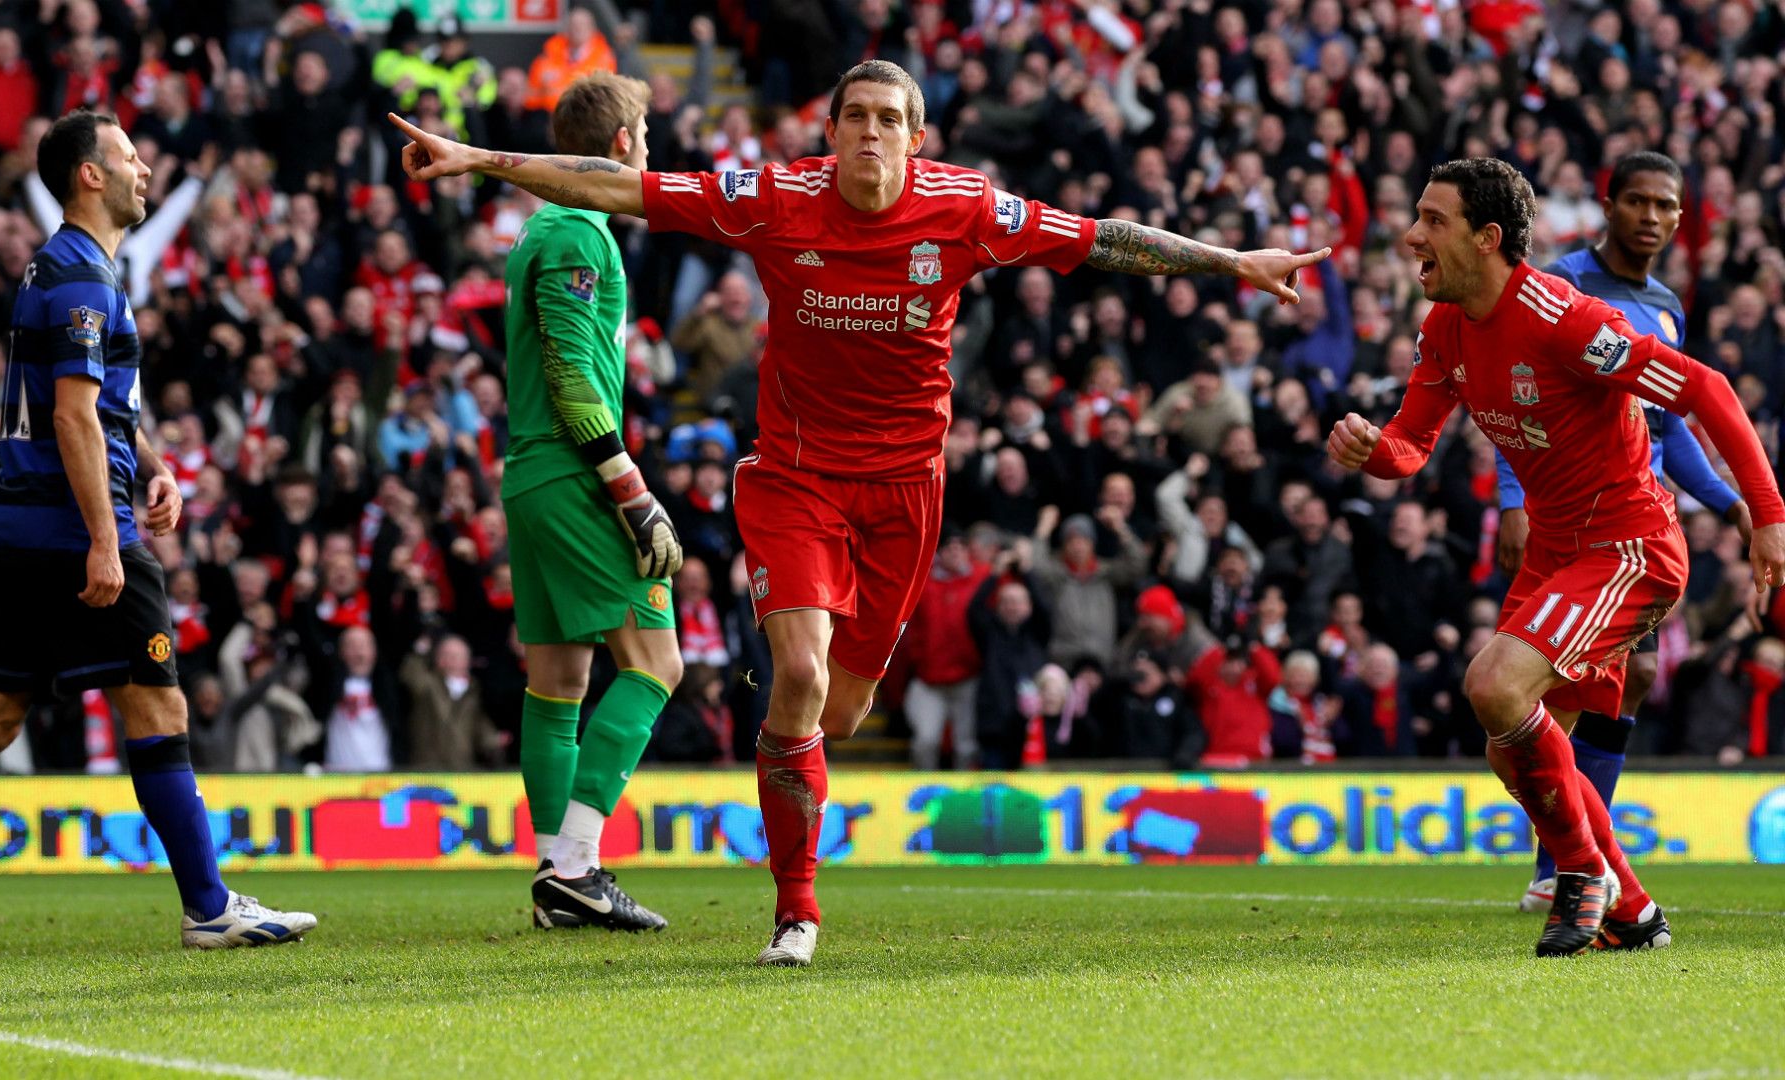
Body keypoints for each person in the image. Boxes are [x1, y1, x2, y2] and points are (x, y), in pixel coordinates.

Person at [389, 59, 1324, 967]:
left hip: (905, 493)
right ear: (829, 132)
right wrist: (479, 159)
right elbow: (621, 184)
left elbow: (1103, 239)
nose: (871, 131)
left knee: (837, 712)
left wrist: (1233, 262)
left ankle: (614, 848)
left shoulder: (963, 208)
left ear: (918, 140)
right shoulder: (774, 198)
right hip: (795, 478)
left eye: (890, 119)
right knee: (794, 673)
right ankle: (794, 909)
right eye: (856, 116)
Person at [0, 111, 313, 957]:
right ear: (90, 175)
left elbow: (100, 408)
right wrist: (107, 539)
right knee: (158, 700)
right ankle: (210, 907)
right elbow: (72, 419)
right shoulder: (81, 278)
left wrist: (152, 464)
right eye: (132, 157)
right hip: (72, 527)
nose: (146, 170)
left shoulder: (77, 269)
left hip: (26, 524)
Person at [1326, 157, 1785, 956]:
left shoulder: (1562, 318)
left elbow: (1703, 389)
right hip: (1557, 550)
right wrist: (1373, 450)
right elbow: (1411, 446)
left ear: (1488, 238)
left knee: (1494, 685)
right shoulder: (1445, 327)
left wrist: (1768, 516)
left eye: (1433, 221)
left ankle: (1579, 877)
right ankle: (1635, 913)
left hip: (1629, 547)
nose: (1410, 238)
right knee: (1513, 748)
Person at [1492, 151, 1754, 913]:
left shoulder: (1667, 303)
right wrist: (1512, 499)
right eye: (1635, 201)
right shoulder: (1564, 283)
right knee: (1552, 690)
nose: (1650, 216)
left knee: (1627, 680)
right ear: (1608, 205)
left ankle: (1566, 862)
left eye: (1664, 205)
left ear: (1679, 218)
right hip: (1569, 516)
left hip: (1638, 512)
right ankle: (1568, 863)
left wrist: (1728, 501)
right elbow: (1524, 392)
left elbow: (1671, 428)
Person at [499, 73, 683, 932]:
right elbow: (572, 370)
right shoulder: (578, 230)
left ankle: (556, 876)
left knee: (560, 680)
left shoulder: (545, 226)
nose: (647, 151)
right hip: (576, 476)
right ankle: (575, 866)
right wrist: (633, 492)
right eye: (643, 137)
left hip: (532, 473)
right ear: (620, 144)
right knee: (656, 664)